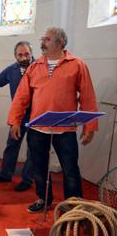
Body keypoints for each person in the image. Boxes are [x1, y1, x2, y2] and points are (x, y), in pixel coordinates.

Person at [8, 27, 98, 213]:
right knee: (39, 169)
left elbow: (88, 96)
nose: (42, 42)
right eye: (42, 38)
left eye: (47, 39)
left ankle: (73, 206)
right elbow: (21, 97)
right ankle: (43, 199)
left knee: (70, 169)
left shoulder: (77, 64)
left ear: (60, 42)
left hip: (65, 129)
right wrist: (15, 121)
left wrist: (90, 126)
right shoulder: (34, 66)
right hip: (37, 128)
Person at [0, 41, 34, 192]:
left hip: (37, 115)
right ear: (15, 56)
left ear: (32, 53)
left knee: (33, 149)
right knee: (12, 144)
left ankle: (27, 179)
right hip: (18, 115)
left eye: (27, 54)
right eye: (20, 55)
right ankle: (5, 173)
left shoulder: (40, 68)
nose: (24, 57)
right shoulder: (12, 70)